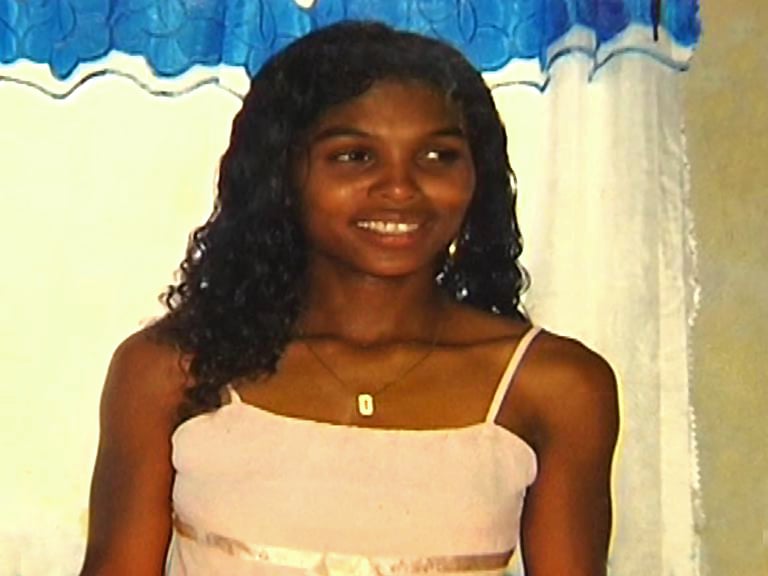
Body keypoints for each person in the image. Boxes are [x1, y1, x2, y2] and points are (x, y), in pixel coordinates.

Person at [79, 21, 619, 576]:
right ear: (281, 173)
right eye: (356, 156)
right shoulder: (172, 370)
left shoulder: (556, 385)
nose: (400, 187)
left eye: (438, 156)